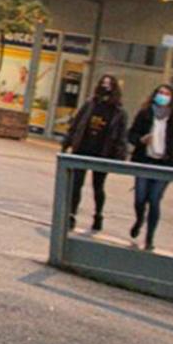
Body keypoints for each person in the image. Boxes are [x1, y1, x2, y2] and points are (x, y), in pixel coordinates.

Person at [127, 83, 173, 250]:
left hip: (165, 164)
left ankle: (149, 238)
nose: (162, 96)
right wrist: (140, 139)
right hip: (145, 161)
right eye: (160, 92)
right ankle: (139, 219)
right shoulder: (145, 114)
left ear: (172, 99)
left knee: (154, 199)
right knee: (140, 197)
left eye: (166, 93)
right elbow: (131, 134)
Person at [60, 74, 128, 232]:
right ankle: (71, 214)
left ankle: (98, 214)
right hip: (83, 149)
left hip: (103, 153)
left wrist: (120, 155)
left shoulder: (118, 111)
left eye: (109, 84)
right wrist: (67, 142)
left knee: (98, 186)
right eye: (103, 83)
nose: (105, 86)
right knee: (76, 184)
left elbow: (121, 135)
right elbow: (77, 124)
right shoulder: (90, 104)